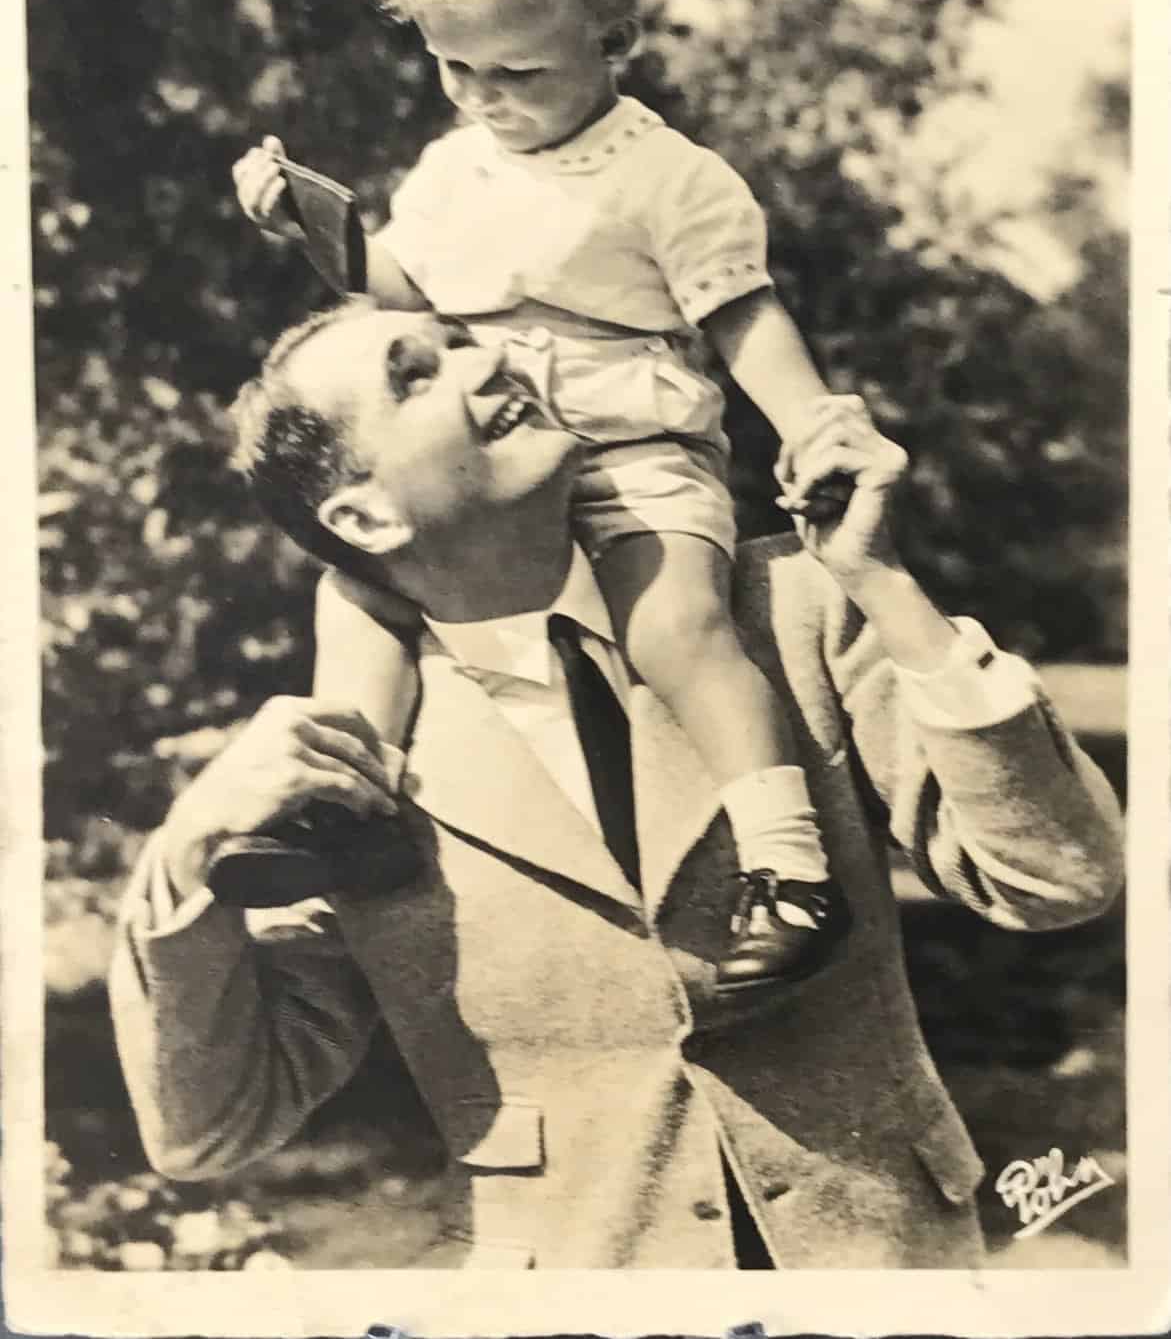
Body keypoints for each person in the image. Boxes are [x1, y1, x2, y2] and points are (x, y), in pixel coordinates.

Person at [110, 303, 1124, 1270]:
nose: (488, 362)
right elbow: (209, 1130)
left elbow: (1055, 879)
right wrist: (187, 851)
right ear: (362, 513)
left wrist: (887, 586)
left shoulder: (791, 612)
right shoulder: (347, 768)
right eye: (414, 377)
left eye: (461, 340)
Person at [232, 0, 849, 993]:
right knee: (358, 585)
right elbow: (396, 283)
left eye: (517, 73)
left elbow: (742, 318)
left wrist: (813, 424)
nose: (482, 98)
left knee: (673, 625)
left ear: (613, 38)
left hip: (632, 449)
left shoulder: (670, 180)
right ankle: (343, 799)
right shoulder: (455, 168)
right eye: (454, 67)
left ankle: (789, 868)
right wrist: (305, 213)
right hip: (495, 458)